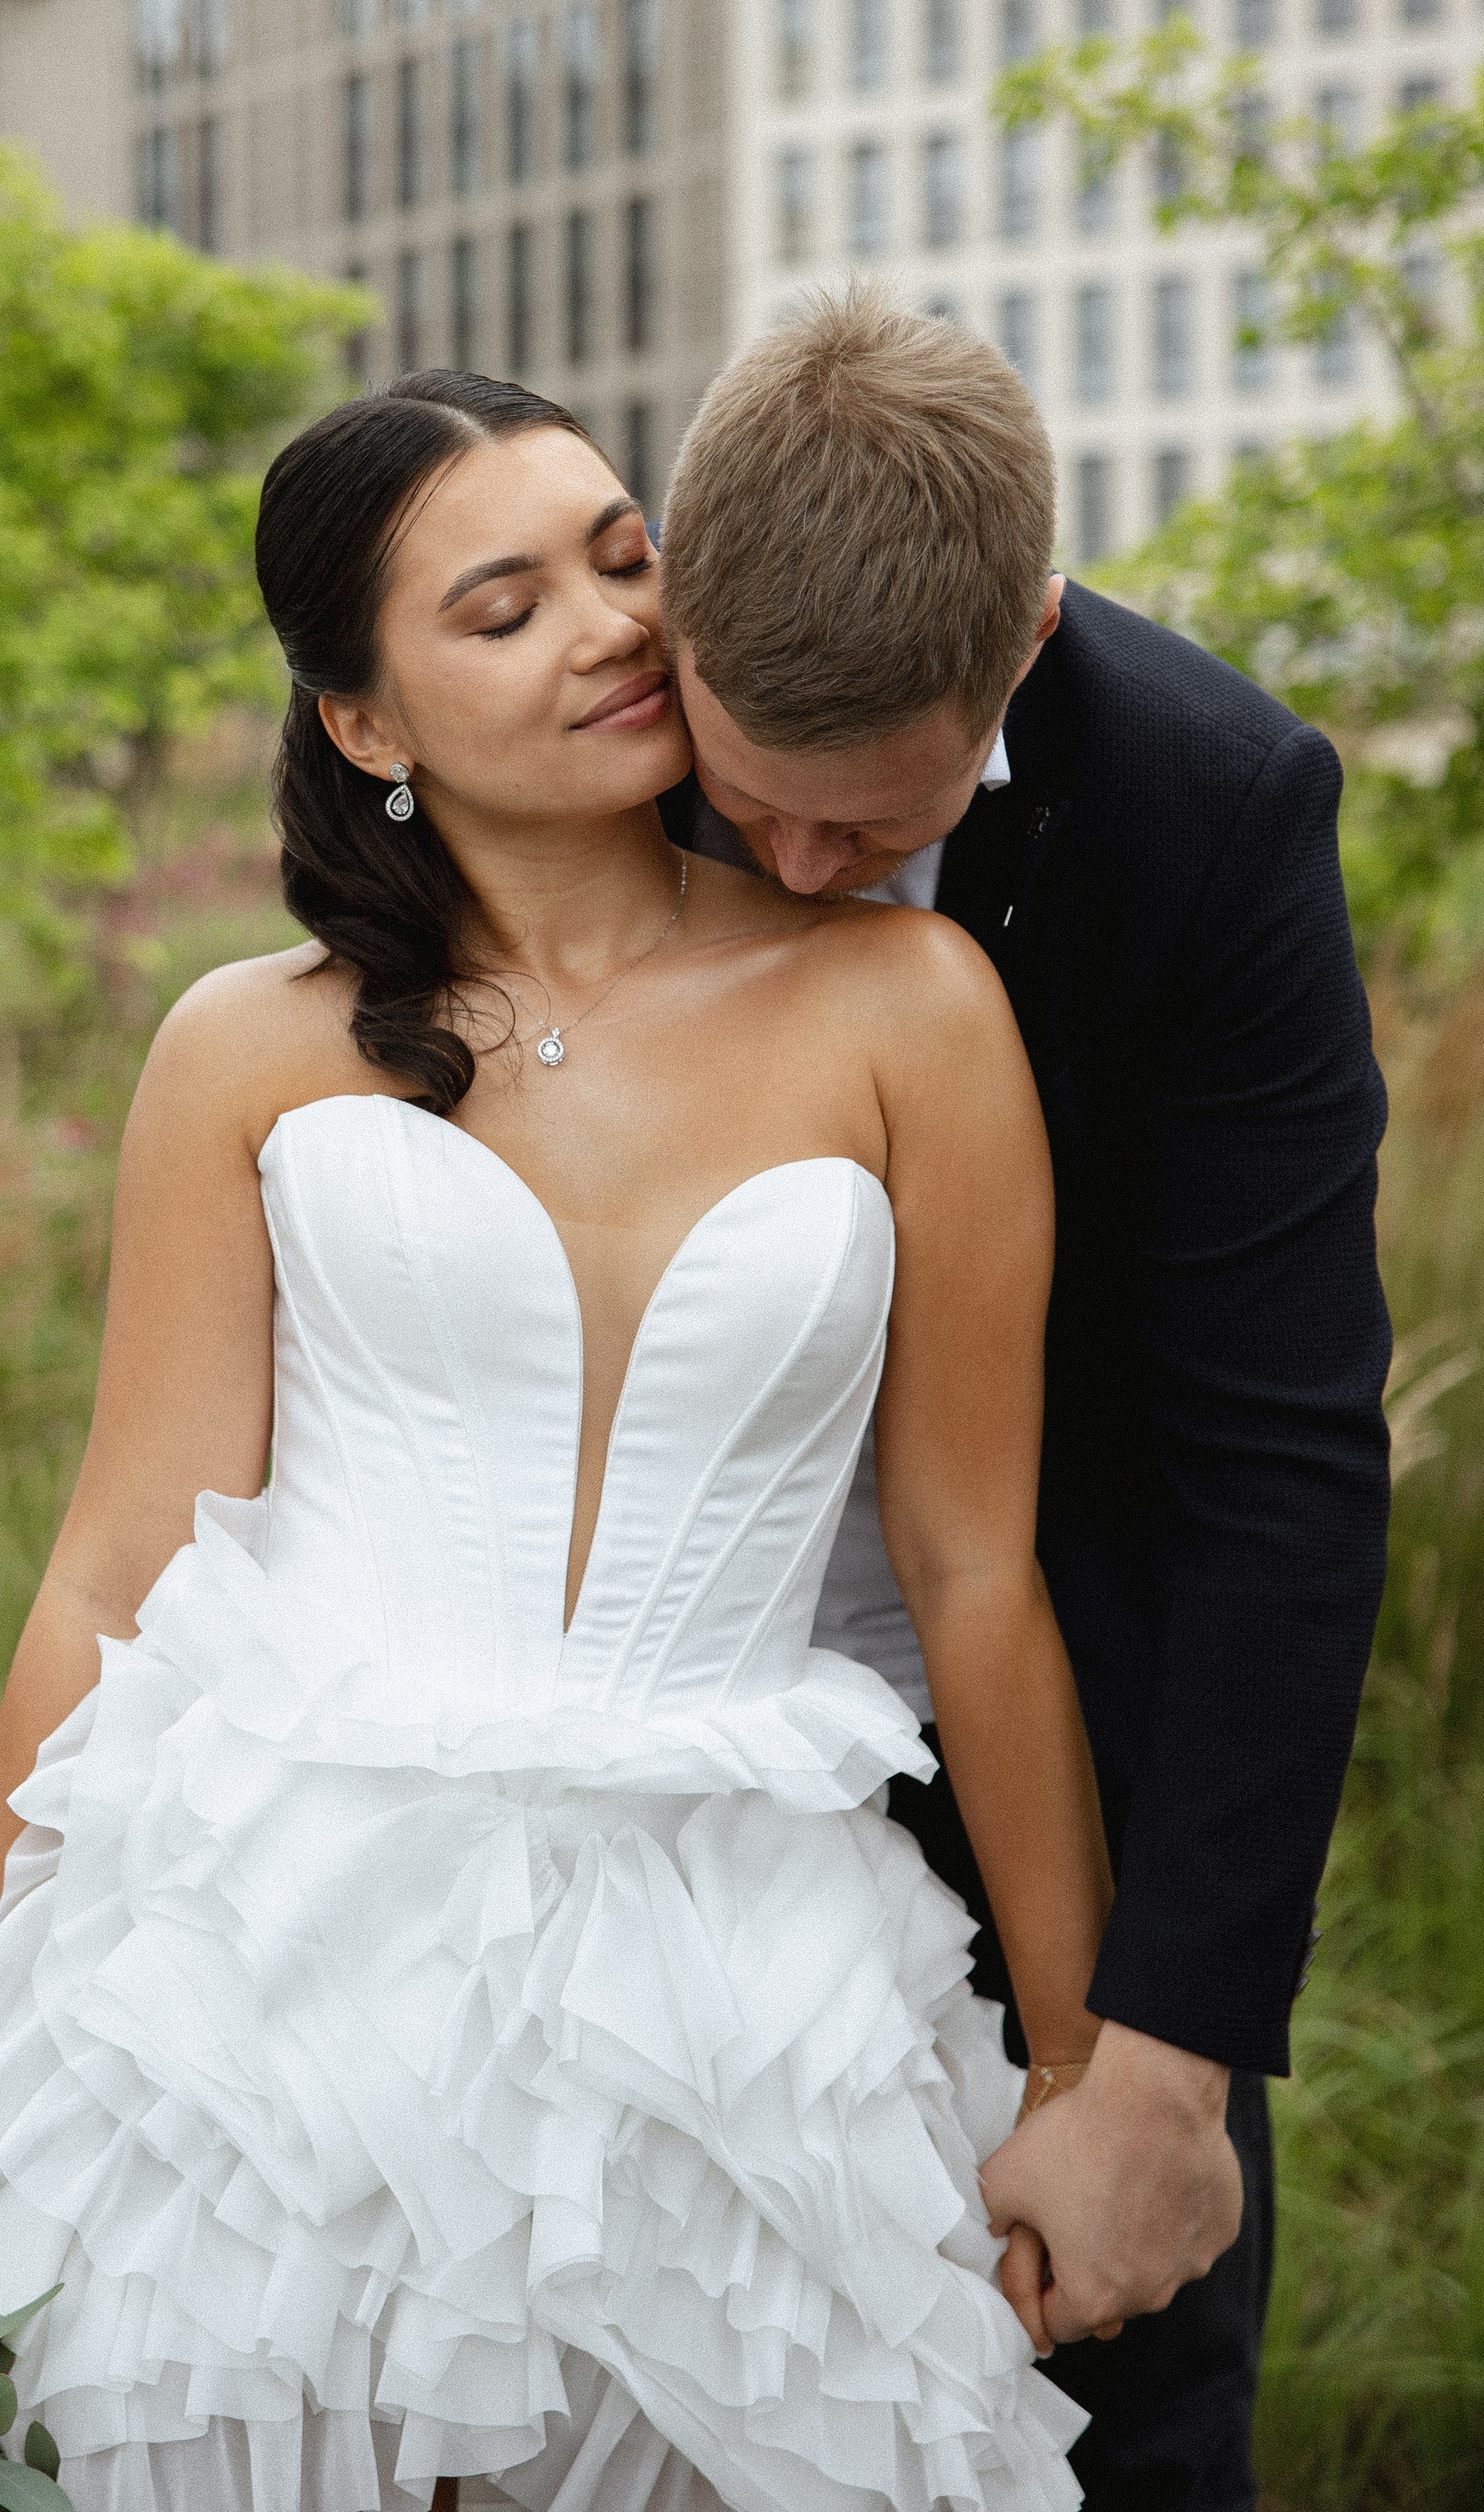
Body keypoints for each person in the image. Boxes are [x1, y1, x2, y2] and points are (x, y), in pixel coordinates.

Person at [0, 366, 1117, 2511]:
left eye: (621, 558)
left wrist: (1077, 2072)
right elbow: (118, 1569)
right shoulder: (245, 1049)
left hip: (743, 1974)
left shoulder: (914, 1005)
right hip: (281, 1968)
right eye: (503, 609)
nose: (606, 626)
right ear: (366, 722)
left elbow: (976, 1570)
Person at [658, 293, 1392, 2511]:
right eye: (751, 809)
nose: (804, 877)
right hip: (628, 1806)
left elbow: (1278, 1464)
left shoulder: (1210, 807)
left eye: (865, 826)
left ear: (1031, 638)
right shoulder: (567, 736)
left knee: (1115, 2435)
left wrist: (1163, 2061)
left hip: (1054, 1801)